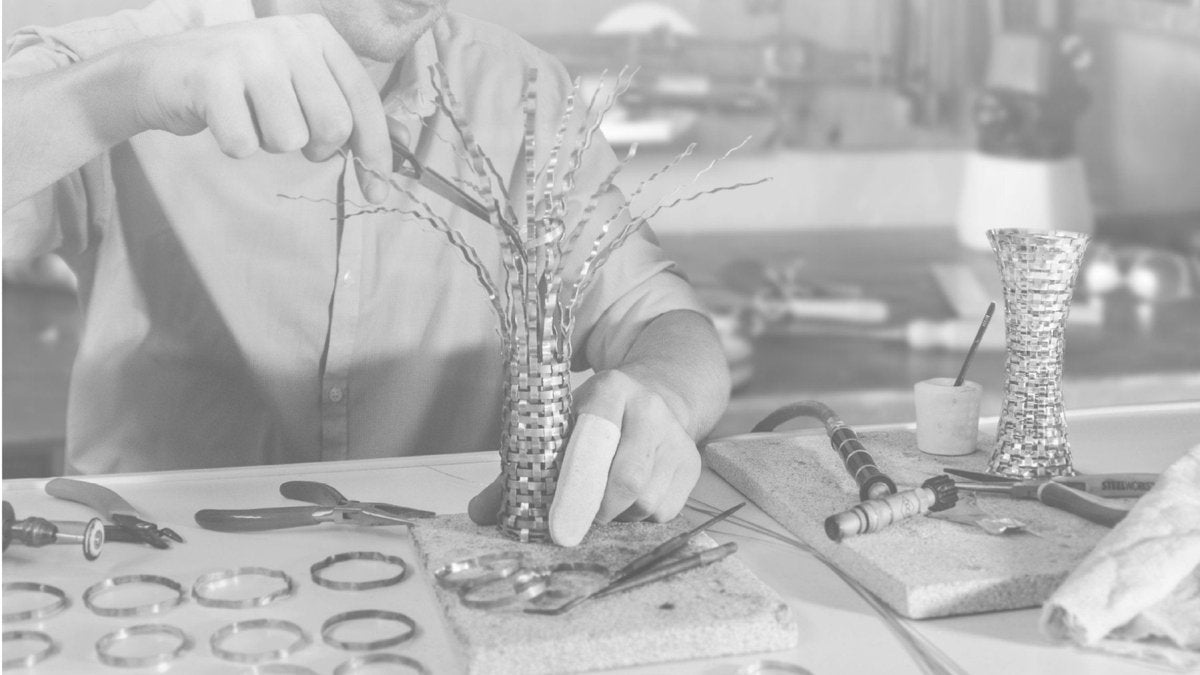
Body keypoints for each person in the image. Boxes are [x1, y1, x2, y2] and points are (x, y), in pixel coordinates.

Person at [2, 0, 730, 531]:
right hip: (152, 551)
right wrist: (121, 94)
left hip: (447, 563)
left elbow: (660, 319)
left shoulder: (523, 90)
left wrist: (663, 394)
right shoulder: (126, 61)